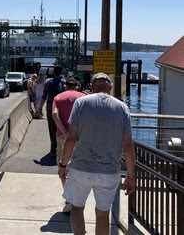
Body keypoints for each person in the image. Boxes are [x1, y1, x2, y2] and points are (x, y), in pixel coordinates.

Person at [58, 73, 135, 235]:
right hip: (109, 170)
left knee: (77, 208)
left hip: (80, 168)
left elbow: (71, 139)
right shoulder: (122, 108)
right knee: (102, 214)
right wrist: (130, 175)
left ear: (91, 86)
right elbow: (128, 146)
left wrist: (63, 164)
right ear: (111, 87)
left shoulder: (81, 103)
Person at [52, 77, 85, 213]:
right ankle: (76, 197)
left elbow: (54, 114)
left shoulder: (58, 98)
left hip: (62, 136)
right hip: (81, 137)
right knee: (78, 167)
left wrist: (64, 131)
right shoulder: (84, 97)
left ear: (65, 87)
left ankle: (69, 199)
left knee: (63, 166)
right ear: (77, 87)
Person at [40, 65, 65, 157]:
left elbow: (44, 96)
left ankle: (53, 148)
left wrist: (39, 108)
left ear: (53, 72)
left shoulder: (48, 82)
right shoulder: (63, 83)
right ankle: (57, 147)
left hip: (50, 107)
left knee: (52, 128)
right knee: (59, 128)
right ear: (61, 72)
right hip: (61, 108)